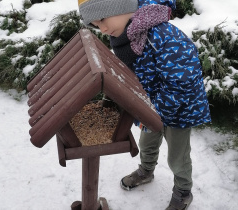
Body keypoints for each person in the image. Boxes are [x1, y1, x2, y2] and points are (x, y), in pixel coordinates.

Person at [78, 0, 211, 209]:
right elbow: (127, 72)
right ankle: (146, 170)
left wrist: (156, 114)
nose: (102, 29)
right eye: (95, 25)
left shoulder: (163, 36)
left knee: (178, 155)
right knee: (146, 144)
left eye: (102, 19)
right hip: (150, 107)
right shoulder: (123, 36)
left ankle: (183, 190)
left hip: (179, 109)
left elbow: (182, 81)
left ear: (120, 7)